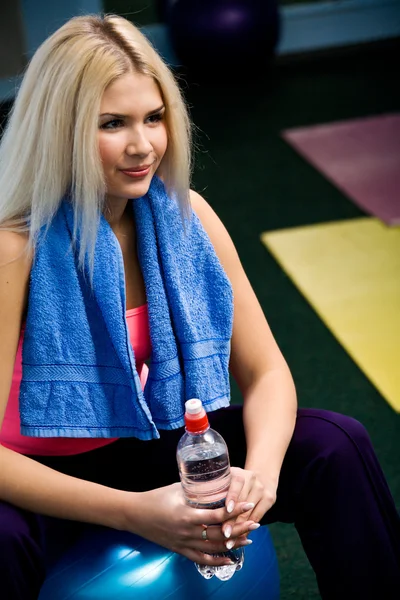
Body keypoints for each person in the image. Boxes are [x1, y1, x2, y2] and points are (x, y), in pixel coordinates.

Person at [0, 14, 399, 600]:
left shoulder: (188, 218)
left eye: (154, 118)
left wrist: (258, 478)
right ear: (60, 130)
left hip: (148, 442)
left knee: (333, 445)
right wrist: (134, 512)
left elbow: (266, 375)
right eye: (112, 124)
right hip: (40, 477)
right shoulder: (14, 250)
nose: (144, 146)